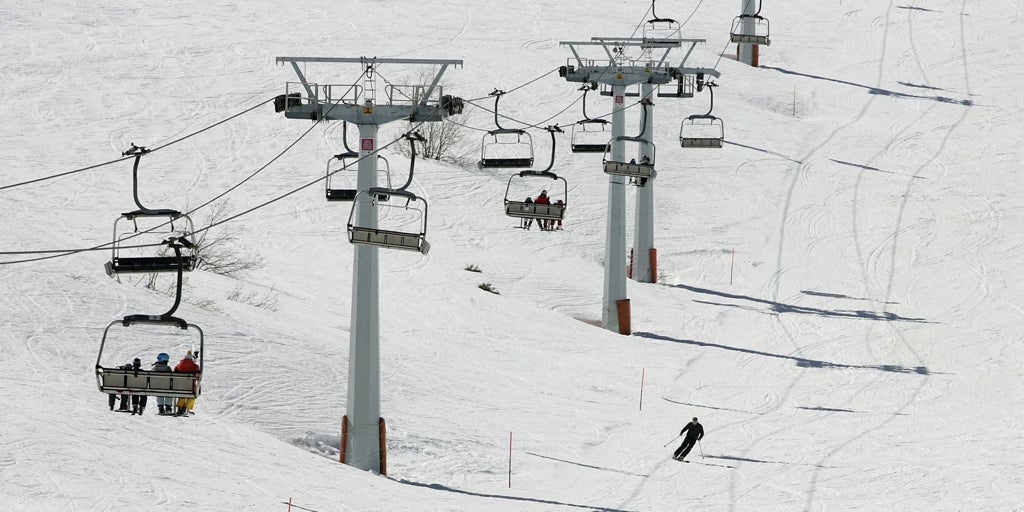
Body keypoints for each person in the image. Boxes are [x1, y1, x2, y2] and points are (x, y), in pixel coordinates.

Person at [173, 351, 201, 417]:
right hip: (191, 387)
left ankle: (180, 407)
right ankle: (186, 408)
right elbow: (198, 376)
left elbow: (174, 372)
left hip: (180, 387)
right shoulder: (195, 366)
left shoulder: (178, 366)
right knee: (194, 394)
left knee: (182, 394)